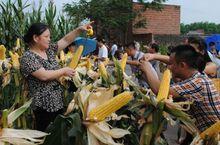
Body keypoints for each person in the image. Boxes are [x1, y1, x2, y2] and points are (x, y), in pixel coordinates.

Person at [20, 22, 92, 131]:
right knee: (47, 137)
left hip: (58, 103)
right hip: (43, 107)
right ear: (35, 38)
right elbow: (44, 75)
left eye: (50, 36)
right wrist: (63, 70)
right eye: (46, 36)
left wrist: (79, 30)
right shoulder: (28, 57)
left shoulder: (48, 51)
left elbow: (66, 40)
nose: (49, 39)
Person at [140, 45, 220, 135]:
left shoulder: (197, 82)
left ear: (182, 65)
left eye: (171, 64)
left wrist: (148, 69)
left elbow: (161, 92)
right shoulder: (196, 78)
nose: (168, 67)